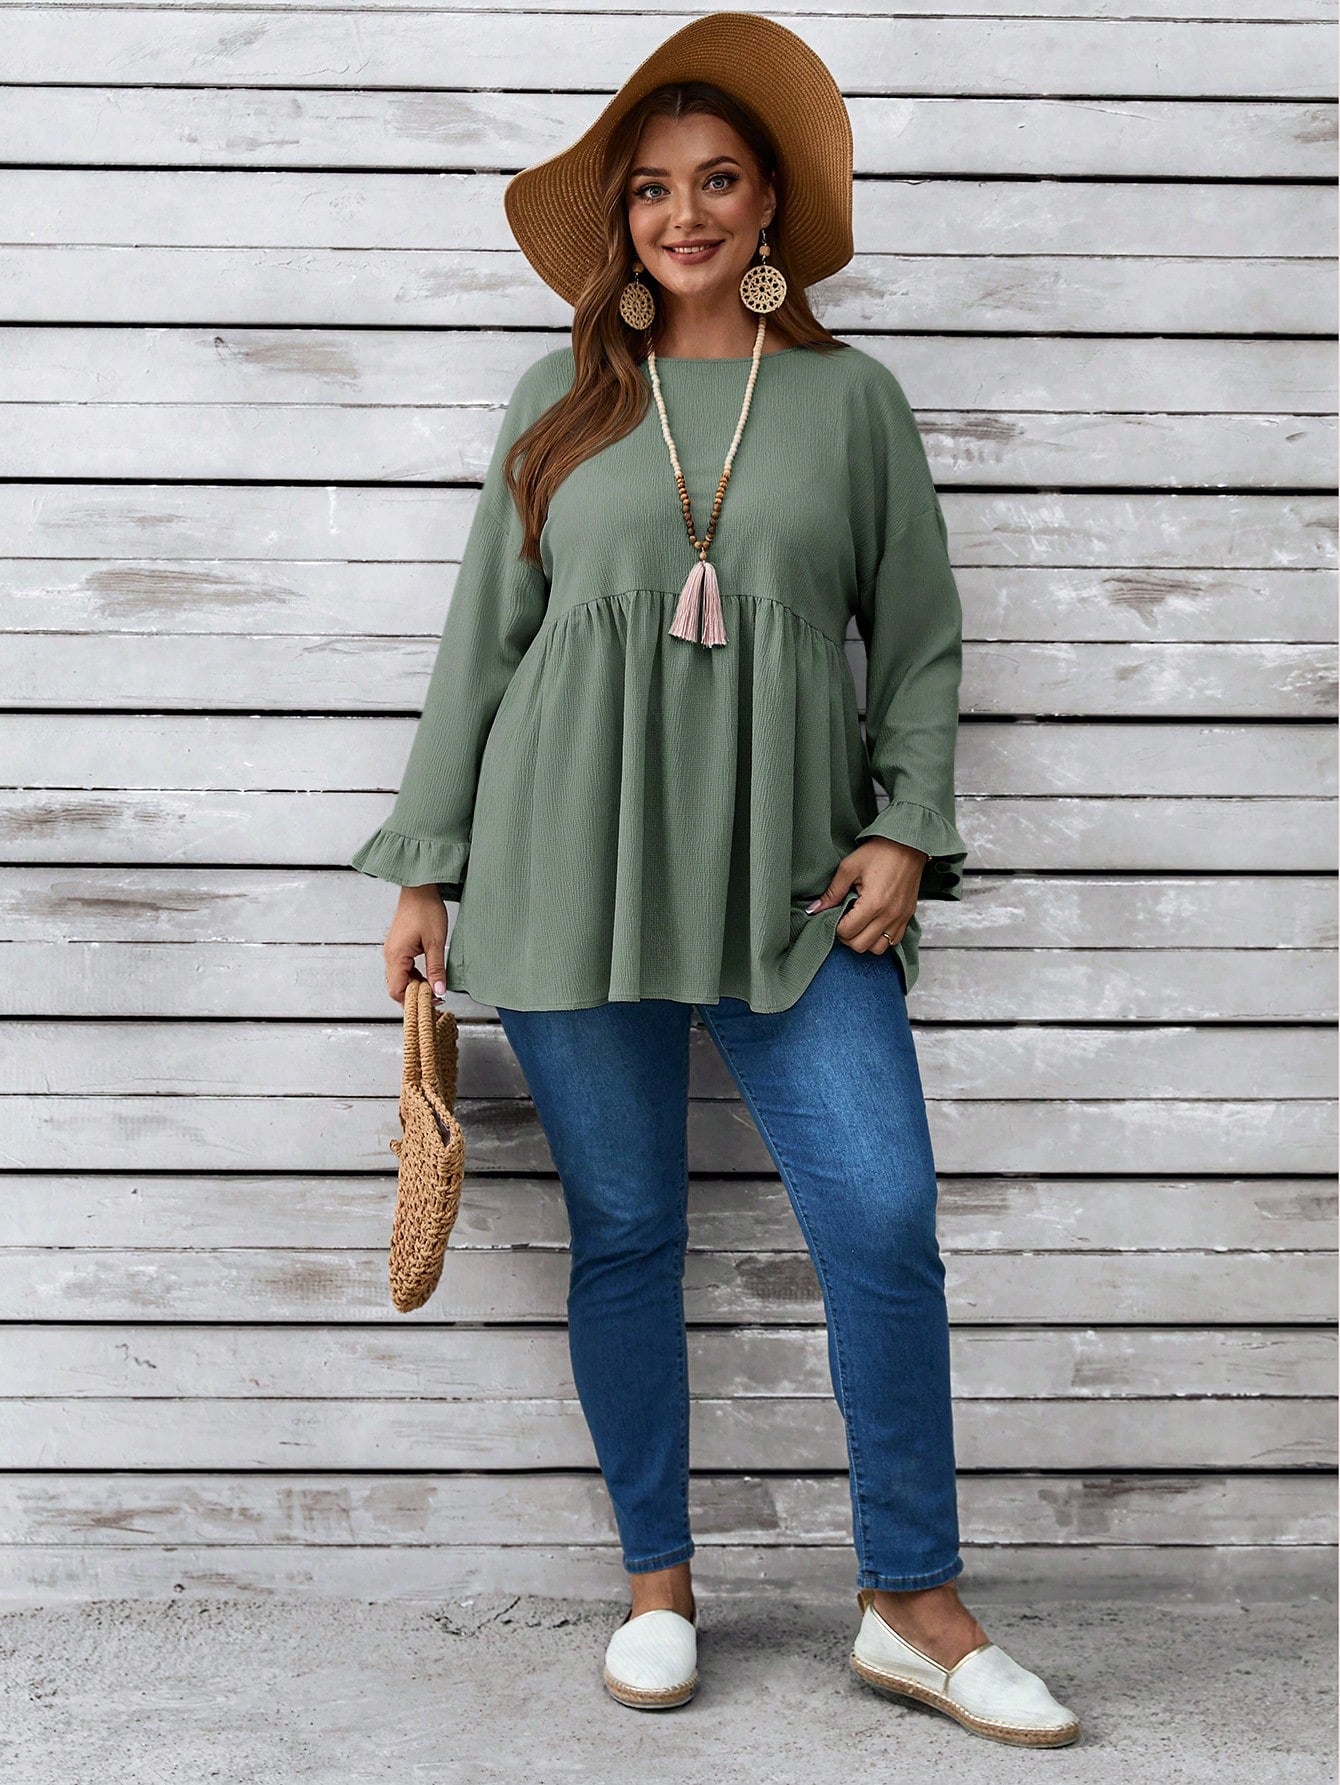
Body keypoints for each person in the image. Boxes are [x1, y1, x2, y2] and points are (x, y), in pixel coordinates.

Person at [352, 10, 1080, 1749]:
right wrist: (426, 868)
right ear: (624, 222)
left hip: (796, 884)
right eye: (653, 190)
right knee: (626, 1232)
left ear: (769, 210)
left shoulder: (851, 402)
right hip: (566, 867)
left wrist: (905, 825)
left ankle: (912, 1600)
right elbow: (483, 646)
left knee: (881, 1220)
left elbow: (918, 638)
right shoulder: (557, 403)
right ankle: (659, 1585)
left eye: (720, 181)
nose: (685, 214)